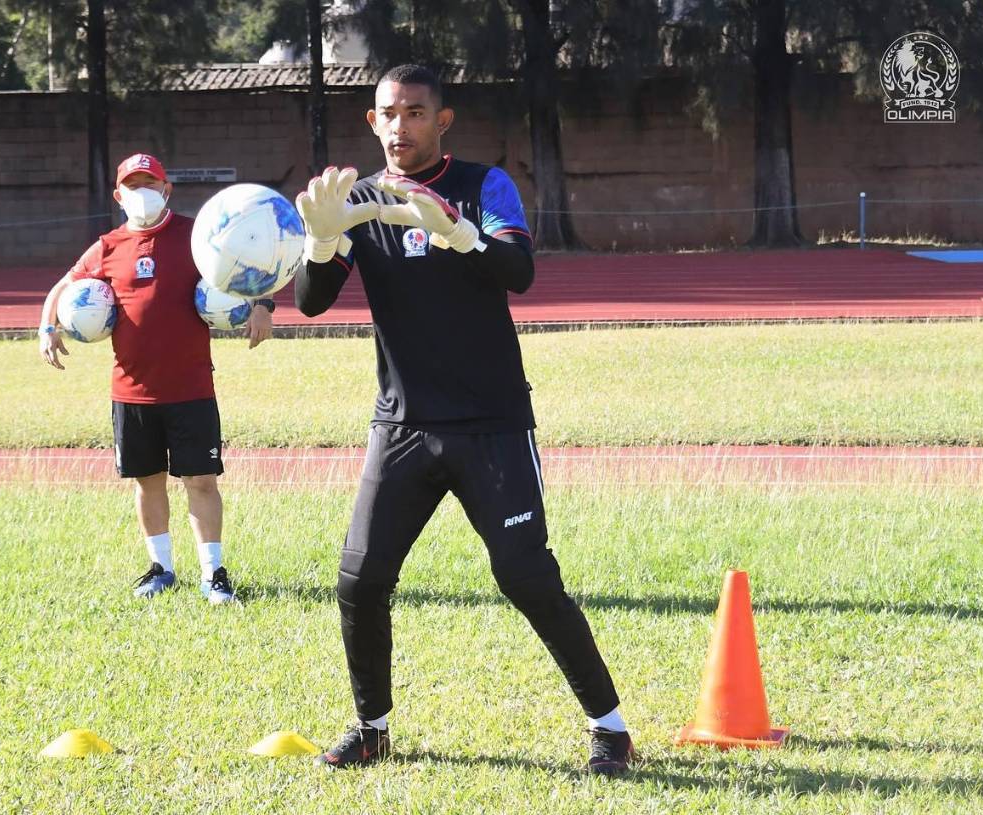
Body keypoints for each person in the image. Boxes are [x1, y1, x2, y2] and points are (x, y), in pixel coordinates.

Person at [294, 65, 635, 775]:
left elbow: (519, 272)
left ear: (442, 120)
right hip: (403, 426)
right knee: (360, 580)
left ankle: (611, 728)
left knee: (526, 576)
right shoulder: (360, 198)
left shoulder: (485, 185)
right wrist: (321, 242)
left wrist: (459, 233)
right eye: (389, 113)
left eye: (416, 112)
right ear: (372, 121)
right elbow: (311, 300)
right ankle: (373, 728)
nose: (401, 126)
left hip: (491, 424)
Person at [39, 152, 276, 603]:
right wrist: (46, 328)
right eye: (133, 186)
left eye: (150, 184)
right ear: (118, 196)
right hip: (132, 392)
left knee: (201, 481)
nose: (142, 193)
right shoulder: (107, 246)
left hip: (191, 388)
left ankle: (213, 574)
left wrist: (263, 306)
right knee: (147, 482)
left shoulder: (196, 236)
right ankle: (160, 568)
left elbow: (251, 266)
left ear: (167, 190)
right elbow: (63, 286)